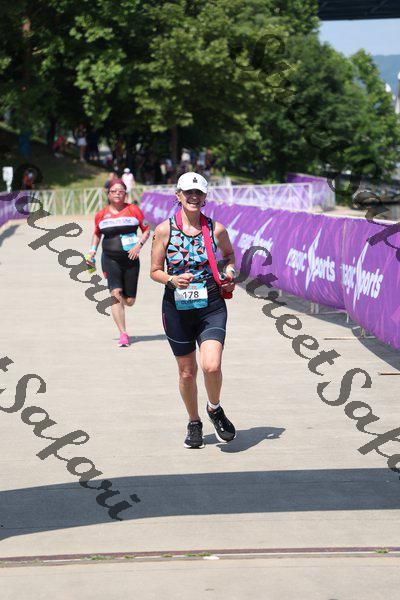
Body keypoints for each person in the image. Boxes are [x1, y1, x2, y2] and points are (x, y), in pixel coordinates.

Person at [150, 171, 237, 448]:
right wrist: (172, 279)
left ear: (205, 197)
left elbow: (230, 257)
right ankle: (194, 421)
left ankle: (214, 408)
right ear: (178, 195)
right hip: (177, 309)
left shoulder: (215, 229)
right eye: (188, 192)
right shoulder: (164, 230)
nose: (193, 197)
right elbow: (154, 271)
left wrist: (230, 272)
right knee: (187, 372)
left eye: (198, 192)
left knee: (211, 365)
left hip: (210, 305)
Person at [88, 179, 150, 346]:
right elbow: (96, 234)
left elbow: (146, 230)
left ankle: (125, 298)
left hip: (131, 260)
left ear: (125, 194)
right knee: (115, 293)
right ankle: (123, 334)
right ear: (108, 194)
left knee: (129, 301)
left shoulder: (133, 210)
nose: (117, 193)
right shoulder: (101, 214)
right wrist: (92, 252)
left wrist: (138, 246)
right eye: (114, 191)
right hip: (110, 259)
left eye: (120, 191)